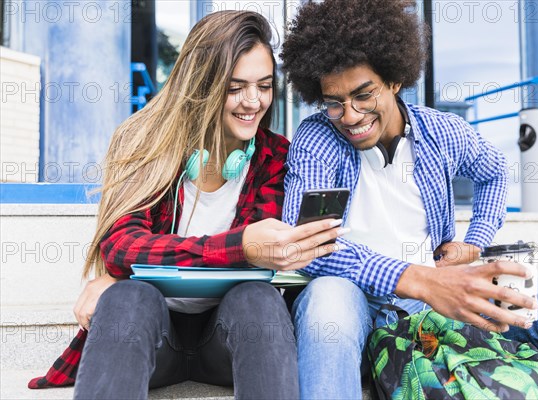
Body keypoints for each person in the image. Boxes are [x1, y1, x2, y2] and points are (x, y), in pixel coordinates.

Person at [280, 0, 538, 398]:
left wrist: (474, 241)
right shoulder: (317, 139)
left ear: (395, 80)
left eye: (364, 95)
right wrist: (420, 281)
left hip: (442, 294)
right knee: (326, 302)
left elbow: (495, 172)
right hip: (359, 298)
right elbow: (310, 244)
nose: (349, 115)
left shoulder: (442, 132)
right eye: (334, 102)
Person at [28, 10, 345, 399]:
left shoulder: (276, 157)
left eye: (264, 86)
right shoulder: (144, 144)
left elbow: (275, 258)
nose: (254, 101)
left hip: (227, 337)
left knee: (257, 298)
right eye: (235, 87)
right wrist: (241, 244)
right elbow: (121, 245)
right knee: (127, 296)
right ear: (202, 84)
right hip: (152, 330)